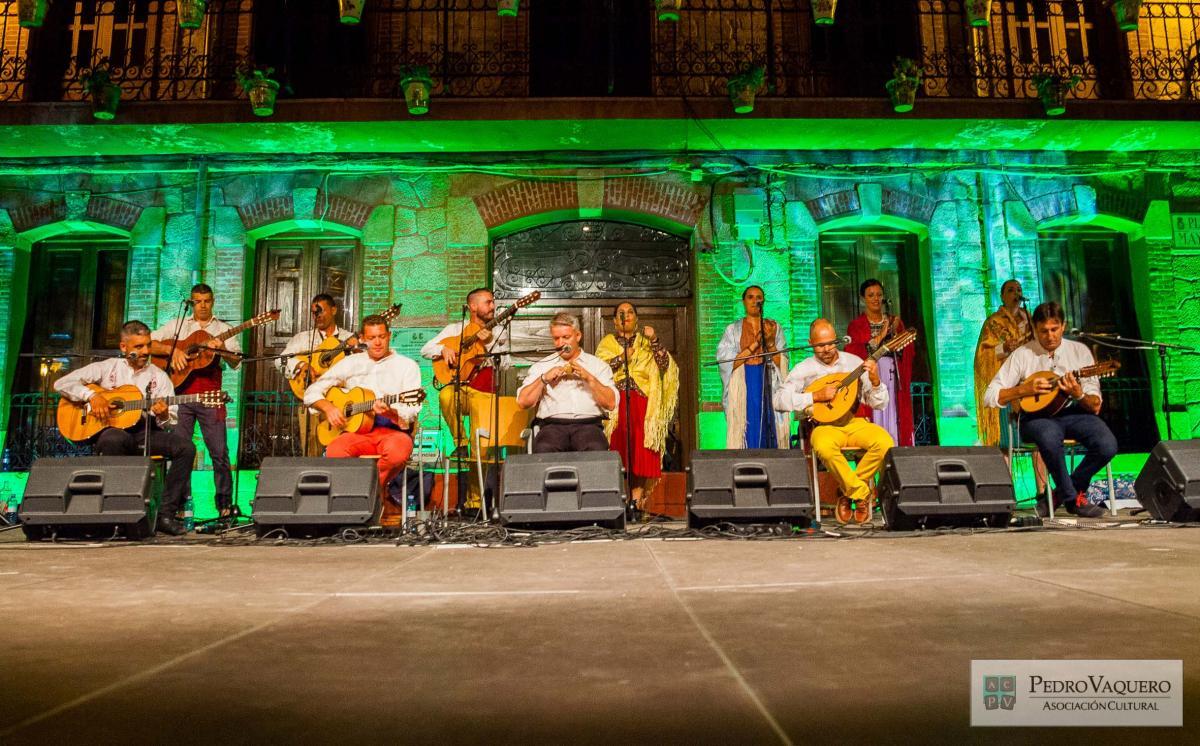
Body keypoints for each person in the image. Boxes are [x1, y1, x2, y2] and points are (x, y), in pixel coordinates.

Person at [54, 321, 196, 536]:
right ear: (124, 347)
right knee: (113, 439)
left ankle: (164, 515)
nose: (145, 351)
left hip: (145, 431)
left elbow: (171, 422)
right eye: (139, 346)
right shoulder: (107, 367)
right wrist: (92, 396)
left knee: (186, 448)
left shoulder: (159, 377)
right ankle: (114, 513)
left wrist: (164, 415)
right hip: (113, 430)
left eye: (148, 345)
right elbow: (61, 384)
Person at [984, 301, 1114, 518]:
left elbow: (1095, 405)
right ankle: (1073, 499)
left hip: (1073, 413)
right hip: (1035, 418)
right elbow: (989, 395)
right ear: (1035, 329)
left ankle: (1057, 496)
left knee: (1107, 445)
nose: (1050, 336)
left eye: (1055, 329)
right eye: (1043, 331)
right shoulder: (1023, 354)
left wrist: (1078, 394)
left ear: (1063, 326)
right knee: (1049, 435)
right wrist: (1023, 389)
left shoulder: (1079, 352)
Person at [773, 319, 894, 524]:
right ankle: (862, 493)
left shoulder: (854, 363)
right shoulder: (804, 369)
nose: (827, 349)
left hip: (854, 422)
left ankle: (847, 492)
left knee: (885, 443)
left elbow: (879, 403)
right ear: (810, 343)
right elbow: (778, 400)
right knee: (823, 446)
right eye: (821, 345)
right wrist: (815, 396)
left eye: (831, 343)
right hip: (825, 427)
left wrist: (875, 382)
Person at [305, 315, 423, 496]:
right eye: (371, 338)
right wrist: (328, 408)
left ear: (389, 336)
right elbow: (312, 391)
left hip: (391, 432)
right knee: (335, 451)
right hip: (356, 432)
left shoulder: (407, 366)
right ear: (361, 339)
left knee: (398, 453)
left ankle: (371, 493)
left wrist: (390, 412)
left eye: (381, 337)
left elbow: (411, 411)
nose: (377, 342)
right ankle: (353, 496)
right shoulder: (351, 363)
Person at [150, 283, 240, 519]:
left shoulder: (223, 329)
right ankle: (181, 506)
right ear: (191, 302)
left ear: (213, 301)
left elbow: (236, 362)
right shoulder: (178, 326)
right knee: (181, 451)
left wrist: (222, 349)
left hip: (211, 397)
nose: (202, 306)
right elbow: (149, 342)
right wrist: (174, 352)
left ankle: (224, 506)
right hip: (180, 396)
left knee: (219, 452)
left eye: (207, 301)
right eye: (198, 301)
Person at [595, 302, 680, 511]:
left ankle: (636, 502)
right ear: (615, 321)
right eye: (621, 313)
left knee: (641, 453)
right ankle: (619, 499)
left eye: (630, 312)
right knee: (618, 449)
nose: (626, 316)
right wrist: (622, 357)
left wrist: (655, 340)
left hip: (642, 405)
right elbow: (598, 370)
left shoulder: (646, 342)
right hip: (616, 405)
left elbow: (665, 366)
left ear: (636, 318)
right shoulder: (607, 343)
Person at [973, 279, 1048, 495]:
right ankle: (1007, 492)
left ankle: (1043, 492)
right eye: (1011, 290)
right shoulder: (993, 322)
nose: (1016, 293)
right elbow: (983, 356)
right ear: (1003, 296)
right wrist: (1004, 347)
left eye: (1019, 290)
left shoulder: (1030, 320)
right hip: (1008, 389)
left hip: (1031, 388)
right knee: (1006, 445)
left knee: (1039, 442)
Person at [420, 288, 511, 458]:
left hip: (485, 393)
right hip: (460, 389)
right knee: (446, 395)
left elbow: (505, 365)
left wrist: (489, 342)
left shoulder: (499, 332)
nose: (493, 306)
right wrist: (443, 349)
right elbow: (425, 350)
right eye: (488, 302)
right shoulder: (455, 329)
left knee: (481, 451)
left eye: (493, 302)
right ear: (473, 306)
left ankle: (478, 471)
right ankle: (460, 443)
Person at [516, 312, 618, 453]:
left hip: (589, 426)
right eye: (556, 338)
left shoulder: (597, 365)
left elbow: (611, 403)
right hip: (552, 426)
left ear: (578, 336)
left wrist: (589, 378)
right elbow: (522, 402)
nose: (560, 343)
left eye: (566, 337)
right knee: (544, 448)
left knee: (595, 448)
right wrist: (543, 379)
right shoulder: (542, 366)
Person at [279, 293, 357, 456]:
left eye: (321, 311)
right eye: (314, 313)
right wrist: (301, 365)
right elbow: (280, 360)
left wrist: (356, 351)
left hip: (339, 402)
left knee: (341, 448)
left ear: (333, 310)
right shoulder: (303, 338)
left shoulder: (347, 338)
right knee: (311, 451)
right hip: (310, 402)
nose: (317, 316)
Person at [716, 286, 789, 449]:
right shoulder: (732, 329)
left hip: (768, 378)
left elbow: (783, 363)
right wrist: (754, 345)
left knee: (770, 420)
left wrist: (770, 343)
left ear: (764, 302)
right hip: (745, 380)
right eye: (750, 297)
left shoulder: (774, 327)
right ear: (743, 301)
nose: (755, 301)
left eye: (759, 297)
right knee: (749, 424)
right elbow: (725, 362)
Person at [846, 279, 914, 447]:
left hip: (893, 375)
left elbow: (908, 350)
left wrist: (900, 340)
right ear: (863, 298)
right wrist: (882, 334)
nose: (876, 299)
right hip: (871, 375)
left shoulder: (895, 322)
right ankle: (876, 447)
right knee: (876, 407)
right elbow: (853, 352)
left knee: (894, 409)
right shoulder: (856, 325)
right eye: (871, 295)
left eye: (879, 295)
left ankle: (895, 447)